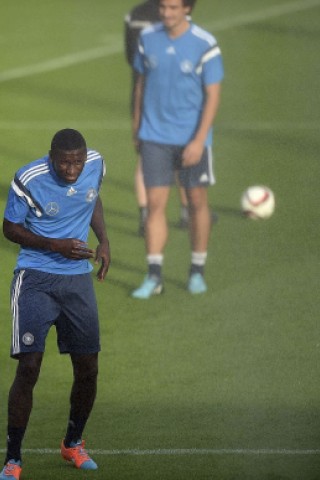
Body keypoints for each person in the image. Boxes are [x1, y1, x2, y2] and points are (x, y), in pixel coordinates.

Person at [0, 129, 111, 480]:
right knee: (29, 367)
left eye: (77, 161)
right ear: (51, 156)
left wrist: (104, 240)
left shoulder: (95, 164)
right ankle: (13, 459)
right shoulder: (29, 178)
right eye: (64, 162)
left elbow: (91, 198)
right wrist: (54, 245)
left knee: (88, 367)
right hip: (35, 277)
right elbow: (9, 228)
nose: (72, 169)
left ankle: (73, 443)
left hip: (77, 280)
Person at [131, 0, 224, 298]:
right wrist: (137, 128)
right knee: (155, 206)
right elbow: (140, 85)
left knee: (196, 202)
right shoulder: (147, 39)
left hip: (191, 139)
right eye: (163, 8)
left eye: (173, 8)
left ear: (187, 9)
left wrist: (199, 140)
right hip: (154, 136)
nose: (167, 13)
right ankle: (154, 275)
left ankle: (197, 269)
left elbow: (212, 96)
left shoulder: (205, 45)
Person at [124, 0, 189, 236]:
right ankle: (185, 212)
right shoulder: (175, 13)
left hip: (141, 93)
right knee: (182, 153)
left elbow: (130, 56)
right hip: (174, 95)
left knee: (145, 155)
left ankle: (145, 215)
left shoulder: (135, 14)